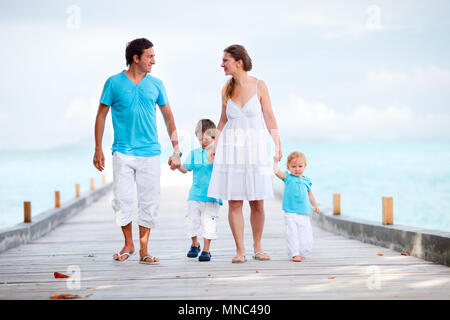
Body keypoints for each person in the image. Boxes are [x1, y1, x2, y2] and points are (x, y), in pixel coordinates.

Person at [93, 38, 181, 265]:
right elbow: (101, 115)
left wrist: (176, 148)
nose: (154, 60)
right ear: (136, 58)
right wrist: (97, 148)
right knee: (122, 200)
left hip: (150, 152)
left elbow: (168, 117)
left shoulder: (156, 84)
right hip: (122, 151)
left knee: (148, 202)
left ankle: (144, 250)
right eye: (150, 56)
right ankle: (128, 243)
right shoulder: (113, 83)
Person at [207, 44, 282, 263]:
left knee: (257, 202)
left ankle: (257, 247)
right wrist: (214, 145)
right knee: (235, 202)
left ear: (239, 62)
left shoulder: (259, 85)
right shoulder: (226, 89)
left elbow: (269, 116)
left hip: (255, 150)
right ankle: (240, 250)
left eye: (225, 60)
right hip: (231, 151)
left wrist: (277, 143)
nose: (222, 64)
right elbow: (222, 120)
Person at [175, 119, 223, 262]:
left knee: (209, 223)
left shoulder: (218, 153)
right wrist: (177, 165)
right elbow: (185, 169)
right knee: (191, 221)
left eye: (206, 139)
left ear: (214, 138)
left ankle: (206, 250)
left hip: (212, 196)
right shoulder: (195, 153)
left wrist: (215, 154)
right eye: (200, 139)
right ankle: (195, 244)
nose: (202, 142)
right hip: (195, 195)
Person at [273, 151, 319, 262]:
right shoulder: (287, 177)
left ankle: (303, 251)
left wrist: (315, 205)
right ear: (288, 167)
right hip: (290, 211)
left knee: (305, 233)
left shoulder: (306, 181)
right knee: (291, 232)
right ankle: (294, 253)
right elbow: (276, 172)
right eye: (293, 166)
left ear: (305, 166)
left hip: (304, 211)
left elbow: (310, 194)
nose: (297, 169)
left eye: (300, 166)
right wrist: (275, 162)